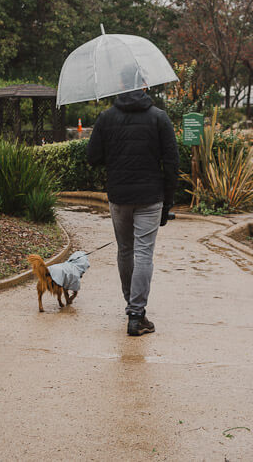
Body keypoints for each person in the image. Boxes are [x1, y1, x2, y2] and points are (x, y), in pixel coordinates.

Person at [86, 85, 179, 336]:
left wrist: (115, 155)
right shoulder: (159, 117)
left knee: (125, 250)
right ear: (144, 87)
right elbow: (171, 162)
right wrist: (167, 202)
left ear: (118, 86)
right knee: (144, 253)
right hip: (150, 197)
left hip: (119, 196)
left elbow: (92, 157)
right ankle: (137, 314)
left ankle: (132, 306)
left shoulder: (106, 118)